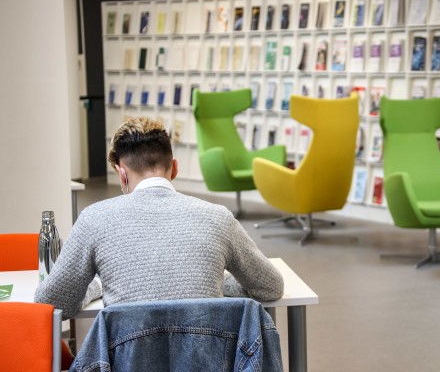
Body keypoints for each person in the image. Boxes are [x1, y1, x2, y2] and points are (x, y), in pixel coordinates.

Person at [35, 117, 284, 319]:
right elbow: (270, 286)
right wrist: (215, 281)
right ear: (174, 168)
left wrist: (98, 287)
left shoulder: (94, 219)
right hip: (207, 361)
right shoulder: (218, 217)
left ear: (122, 175)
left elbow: (51, 302)